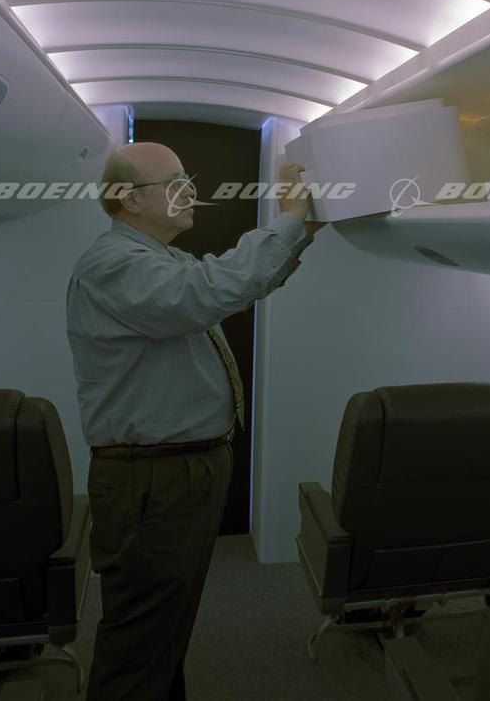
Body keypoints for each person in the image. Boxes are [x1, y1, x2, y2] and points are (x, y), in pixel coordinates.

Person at [66, 142, 317, 700]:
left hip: (181, 470)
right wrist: (287, 220)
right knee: (140, 642)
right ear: (129, 198)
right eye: (175, 182)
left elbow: (240, 285)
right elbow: (205, 293)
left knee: (166, 629)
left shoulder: (161, 259)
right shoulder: (113, 264)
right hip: (154, 479)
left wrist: (301, 233)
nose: (190, 192)